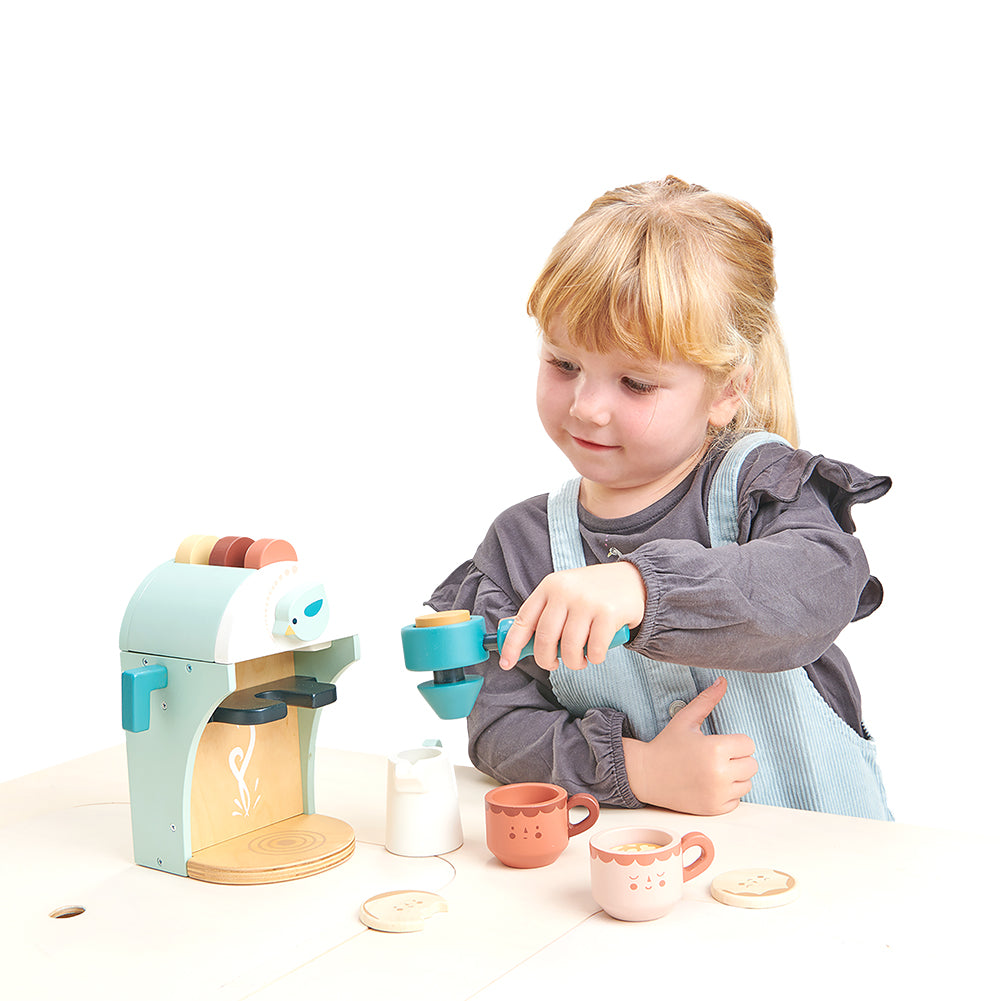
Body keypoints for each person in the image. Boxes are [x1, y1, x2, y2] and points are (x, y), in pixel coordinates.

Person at [428, 175, 892, 819]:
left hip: (828, 856)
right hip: (650, 868)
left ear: (727, 391)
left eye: (636, 383)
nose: (587, 407)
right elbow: (499, 728)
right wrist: (637, 769)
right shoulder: (520, 548)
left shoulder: (758, 485)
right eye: (564, 364)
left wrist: (644, 589)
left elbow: (822, 583)